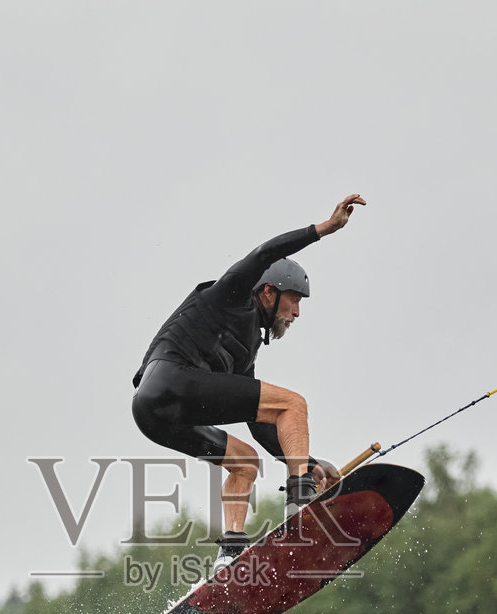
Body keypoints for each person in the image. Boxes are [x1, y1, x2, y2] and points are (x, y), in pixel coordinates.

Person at [132, 194, 366, 569]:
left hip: (153, 413)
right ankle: (301, 503)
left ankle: (230, 554)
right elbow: (263, 253)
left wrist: (306, 460)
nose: (297, 312)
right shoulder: (232, 295)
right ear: (268, 292)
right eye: (293, 300)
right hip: (170, 379)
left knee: (245, 462)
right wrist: (325, 228)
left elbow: (259, 422)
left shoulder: (246, 349)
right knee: (293, 403)